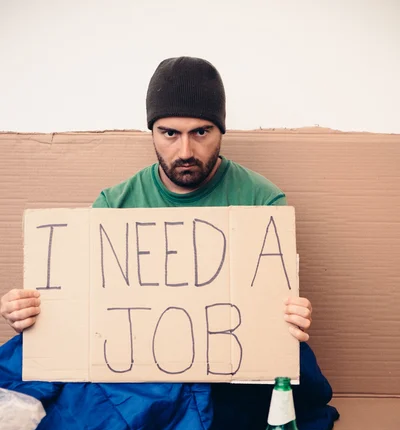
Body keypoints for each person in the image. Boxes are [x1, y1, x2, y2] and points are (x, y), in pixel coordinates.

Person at [0, 56, 312, 341]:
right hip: (139, 368)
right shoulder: (114, 205)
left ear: (221, 131)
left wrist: (288, 319)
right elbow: (82, 312)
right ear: (152, 131)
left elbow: (267, 316)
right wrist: (32, 316)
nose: (186, 151)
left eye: (201, 132)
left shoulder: (263, 202)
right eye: (170, 133)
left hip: (225, 359)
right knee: (18, 356)